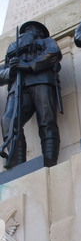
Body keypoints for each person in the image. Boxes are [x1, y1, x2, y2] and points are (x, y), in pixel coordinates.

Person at [0, 21, 62, 169]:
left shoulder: (46, 41)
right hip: (18, 87)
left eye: (32, 28)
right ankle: (16, 162)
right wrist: (11, 70)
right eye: (25, 29)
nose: (27, 30)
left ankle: (49, 161)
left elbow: (54, 53)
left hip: (42, 81)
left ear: (40, 32)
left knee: (47, 121)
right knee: (8, 120)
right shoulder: (13, 48)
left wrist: (29, 65)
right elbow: (1, 73)